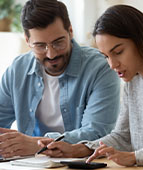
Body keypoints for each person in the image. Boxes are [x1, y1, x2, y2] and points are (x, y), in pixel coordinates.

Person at [37, 4, 143, 167]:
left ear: (142, 41)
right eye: (106, 56)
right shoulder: (133, 83)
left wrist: (136, 157)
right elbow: (122, 136)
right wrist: (78, 149)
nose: (112, 64)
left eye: (118, 52)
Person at [0, 0, 120, 158]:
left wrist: (38, 144)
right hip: (30, 163)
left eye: (58, 42)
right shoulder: (18, 69)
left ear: (70, 31)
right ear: (27, 41)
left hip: (81, 162)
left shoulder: (101, 68)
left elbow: (96, 133)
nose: (51, 54)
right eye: (40, 46)